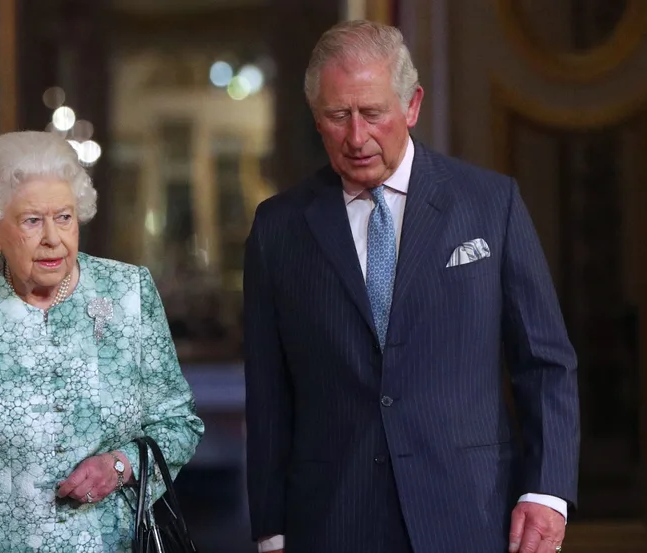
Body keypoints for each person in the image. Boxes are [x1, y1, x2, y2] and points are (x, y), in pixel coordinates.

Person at [243, 20, 579, 553]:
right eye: (338, 116)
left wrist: (547, 491)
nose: (356, 137)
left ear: (412, 105)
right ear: (315, 117)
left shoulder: (491, 205)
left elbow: (545, 362)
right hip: (332, 519)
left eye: (373, 113)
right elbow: (267, 395)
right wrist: (271, 530)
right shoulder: (278, 229)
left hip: (471, 513)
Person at [0, 131, 204, 552]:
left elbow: (179, 424)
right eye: (33, 220)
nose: (53, 237)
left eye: (64, 217)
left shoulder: (128, 293)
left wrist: (120, 466)